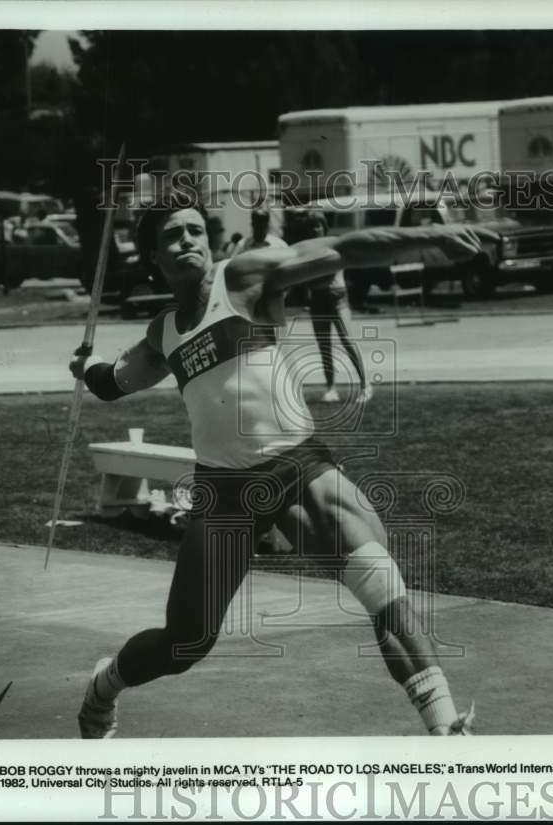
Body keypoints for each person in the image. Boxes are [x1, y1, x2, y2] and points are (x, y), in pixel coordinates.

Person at [69, 194, 489, 738]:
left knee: (385, 592)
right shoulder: (164, 331)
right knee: (186, 643)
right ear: (153, 256)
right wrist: (88, 368)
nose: (188, 241)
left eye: (195, 230)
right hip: (222, 492)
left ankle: (447, 731)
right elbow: (115, 382)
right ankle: (103, 686)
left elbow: (338, 249)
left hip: (297, 468)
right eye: (172, 235)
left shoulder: (242, 279)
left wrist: (427, 239)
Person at [301, 211, 371, 403]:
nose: (315, 229)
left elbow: (325, 272)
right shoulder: (307, 248)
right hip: (317, 299)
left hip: (337, 296)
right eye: (311, 226)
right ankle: (331, 387)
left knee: (347, 340)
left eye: (318, 225)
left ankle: (365, 385)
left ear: (324, 227)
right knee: (324, 346)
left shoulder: (334, 244)